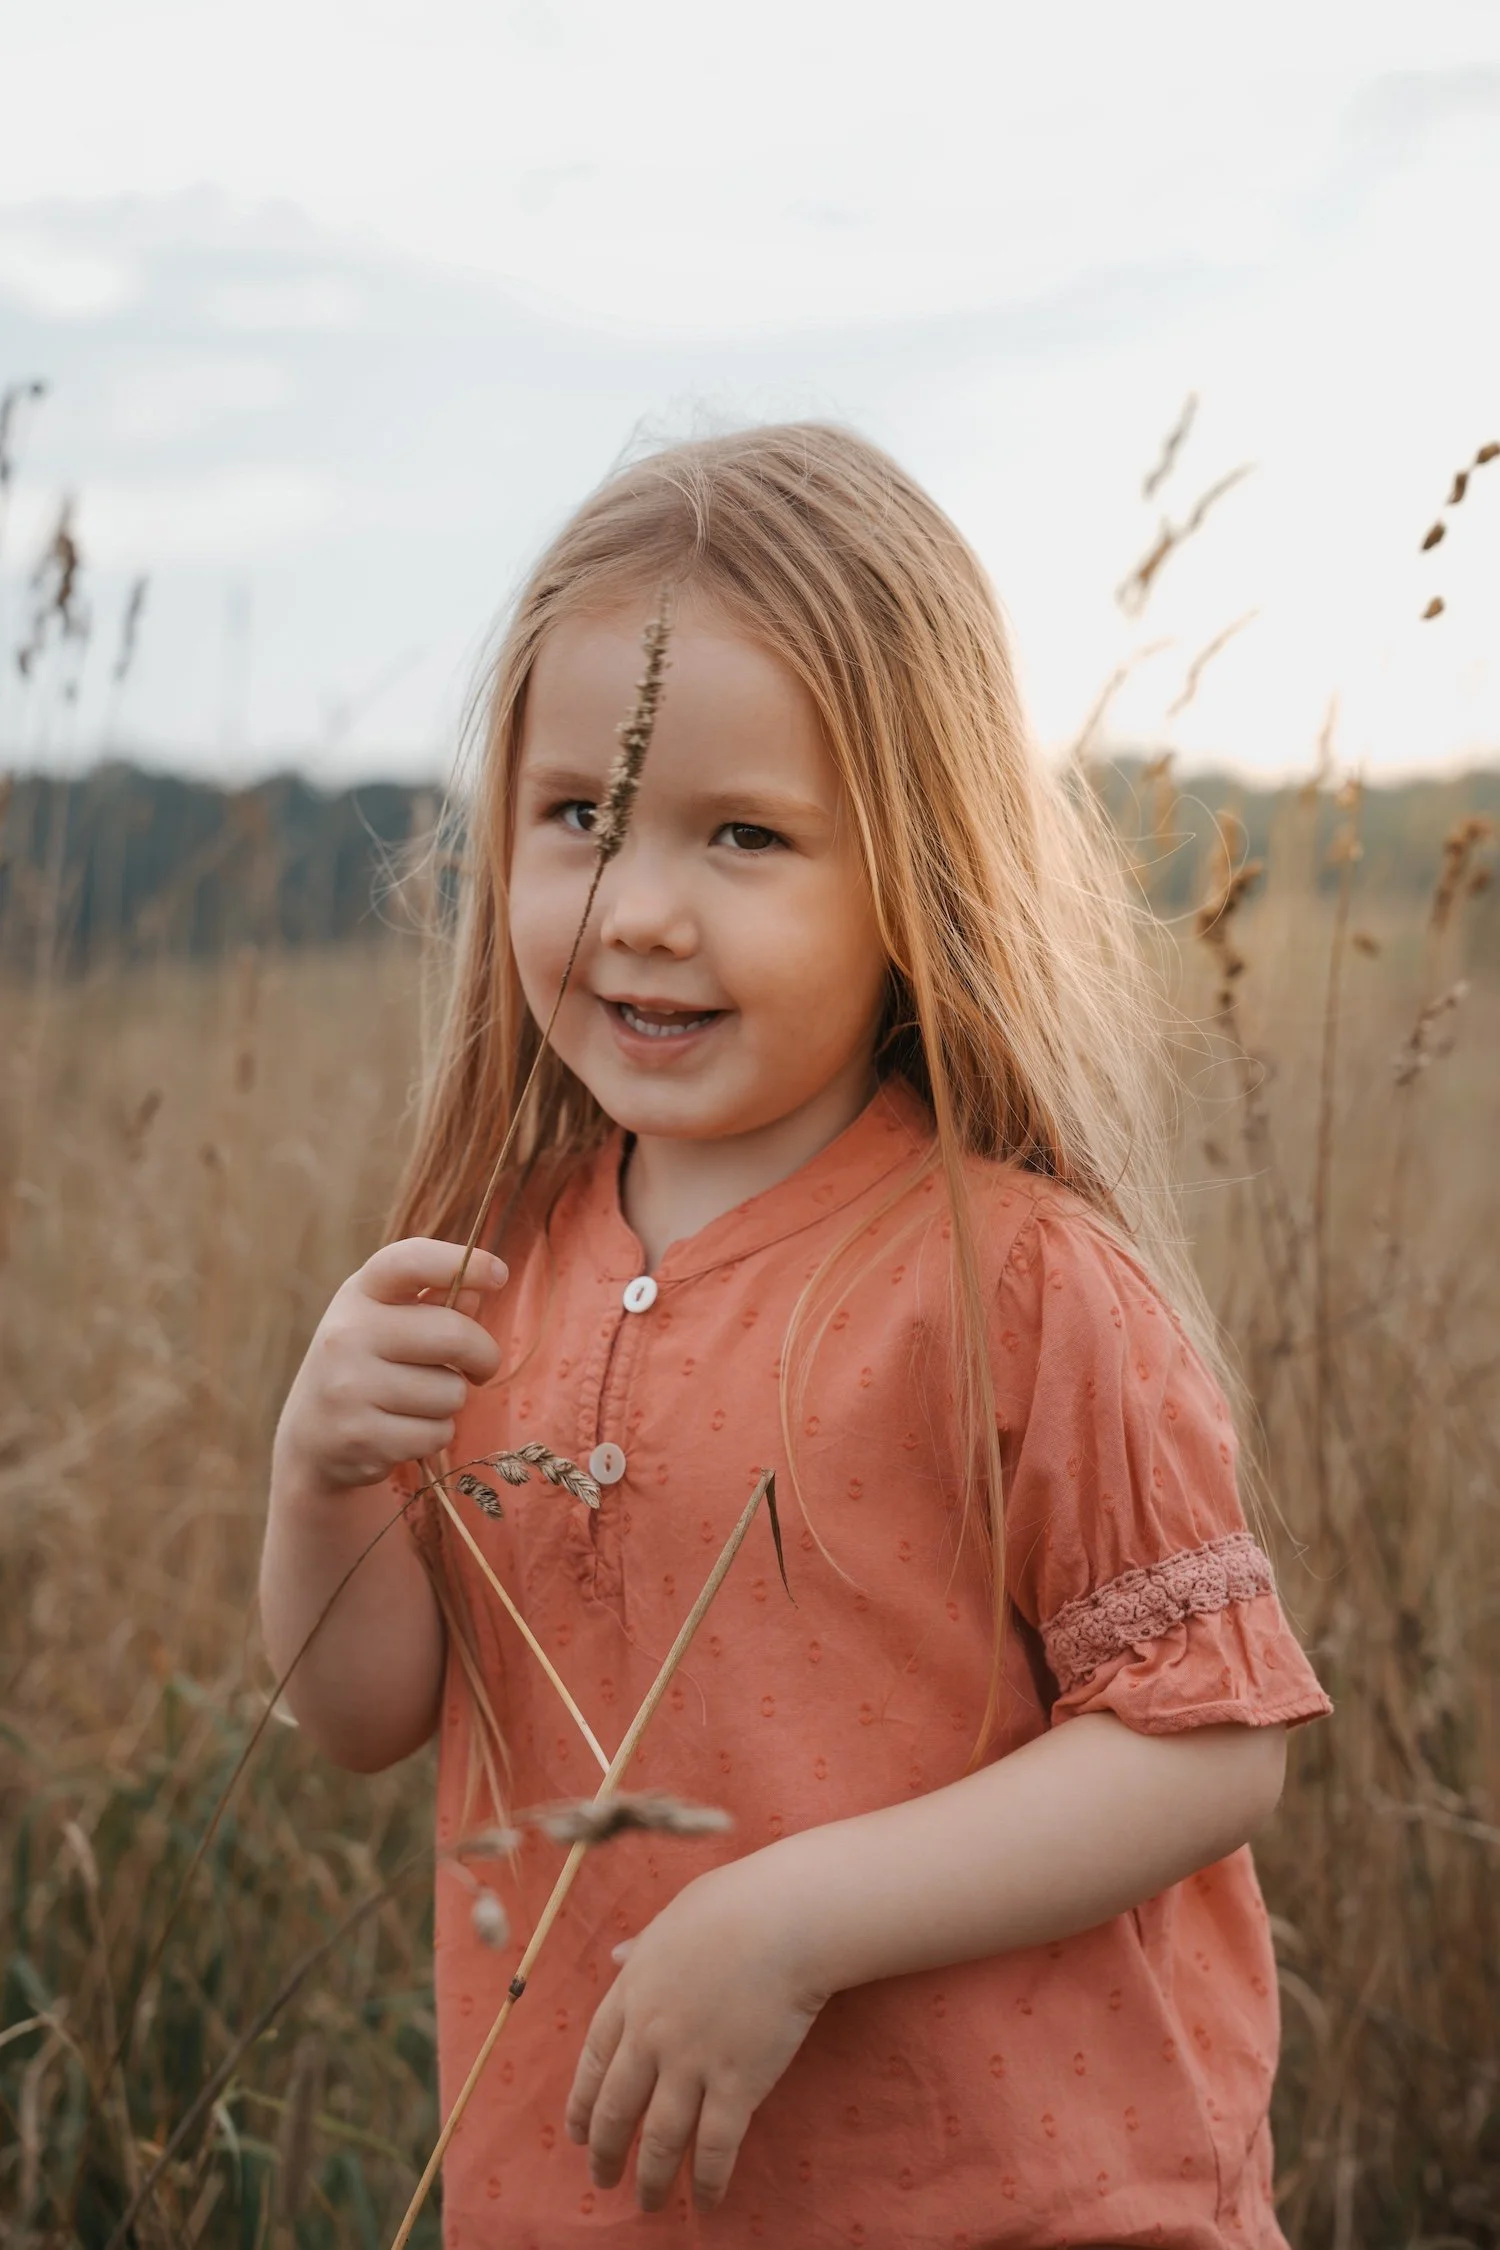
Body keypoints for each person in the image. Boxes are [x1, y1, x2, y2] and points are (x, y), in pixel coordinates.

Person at [260, 424, 1332, 2249]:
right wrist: (319, 1470)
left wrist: (791, 1916)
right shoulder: (487, 1268)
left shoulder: (1017, 1282)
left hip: (1010, 2195)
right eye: (578, 814)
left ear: (914, 870)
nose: (639, 906)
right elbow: (369, 1716)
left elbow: (1209, 1740)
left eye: (743, 834)